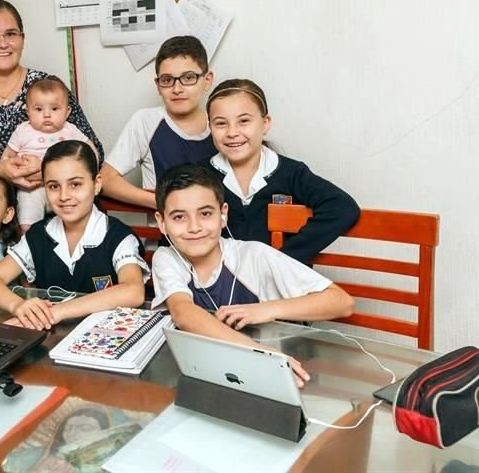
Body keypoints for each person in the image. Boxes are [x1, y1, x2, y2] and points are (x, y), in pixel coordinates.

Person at [151, 164, 355, 385]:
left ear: (223, 215)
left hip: (262, 376)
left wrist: (266, 309)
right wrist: (257, 353)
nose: (194, 227)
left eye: (206, 213)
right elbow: (183, 312)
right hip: (203, 371)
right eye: (179, 217)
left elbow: (341, 302)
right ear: (162, 223)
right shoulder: (166, 257)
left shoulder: (254, 255)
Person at [0, 0, 102, 198]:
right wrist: (0, 171)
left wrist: (45, 172)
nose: (3, 44)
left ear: (22, 38)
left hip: (60, 205)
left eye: (11, 34)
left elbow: (94, 154)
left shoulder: (48, 87)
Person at [0, 141, 147, 331]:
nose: (64, 196)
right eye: (53, 186)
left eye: (75, 184)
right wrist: (19, 307)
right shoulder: (39, 235)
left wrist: (55, 312)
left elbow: (133, 291)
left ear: (97, 184)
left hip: (105, 338)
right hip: (51, 337)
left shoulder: (119, 237)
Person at [204, 78, 360, 264]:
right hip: (221, 287)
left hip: (282, 286)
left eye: (244, 121)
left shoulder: (292, 173)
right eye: (221, 123)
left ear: (265, 123)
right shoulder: (198, 177)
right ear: (210, 127)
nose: (232, 132)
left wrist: (280, 262)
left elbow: (343, 208)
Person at [101, 35, 217, 209]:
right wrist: (163, 202)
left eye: (188, 78)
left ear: (207, 80)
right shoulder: (146, 121)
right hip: (162, 233)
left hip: (216, 232)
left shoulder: (221, 124)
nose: (177, 89)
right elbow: (106, 180)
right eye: (167, 80)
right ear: (158, 85)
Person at [2, 76, 95, 228]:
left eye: (54, 109)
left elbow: (92, 152)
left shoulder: (71, 130)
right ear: (28, 112)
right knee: (28, 217)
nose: (47, 114)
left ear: (67, 112)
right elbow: (7, 156)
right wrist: (9, 168)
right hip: (32, 188)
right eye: (38, 109)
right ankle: (29, 242)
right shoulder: (22, 131)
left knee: (80, 218)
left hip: (66, 187)